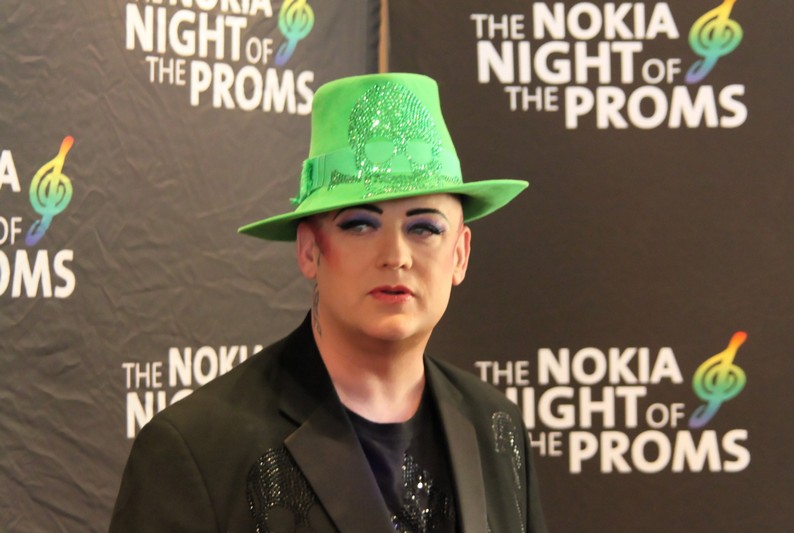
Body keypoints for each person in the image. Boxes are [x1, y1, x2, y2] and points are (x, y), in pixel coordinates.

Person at [110, 73, 547, 532]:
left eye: (424, 228)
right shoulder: (196, 450)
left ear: (459, 254)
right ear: (309, 250)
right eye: (360, 225)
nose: (396, 256)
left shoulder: (496, 426)